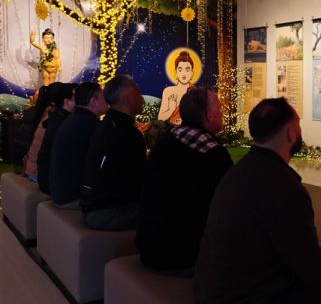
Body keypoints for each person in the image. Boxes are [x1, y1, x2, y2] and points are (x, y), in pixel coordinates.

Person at [195, 97, 321, 304]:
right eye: (298, 125)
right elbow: (315, 274)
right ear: (290, 133)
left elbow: (262, 237)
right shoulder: (285, 187)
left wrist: (310, 251)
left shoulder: (240, 171)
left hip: (214, 290)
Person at [136, 87, 232, 277]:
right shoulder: (213, 154)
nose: (223, 112)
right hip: (181, 257)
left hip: (148, 248)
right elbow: (229, 207)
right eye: (219, 108)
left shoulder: (166, 141)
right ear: (208, 115)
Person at [80, 75, 146, 231]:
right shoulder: (127, 133)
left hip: (91, 207)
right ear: (127, 99)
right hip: (106, 212)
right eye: (138, 93)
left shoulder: (105, 125)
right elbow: (139, 183)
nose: (142, 98)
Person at [48, 82, 109, 209]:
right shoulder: (90, 125)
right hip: (71, 197)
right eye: (104, 97)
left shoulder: (74, 119)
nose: (107, 101)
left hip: (60, 191)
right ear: (93, 101)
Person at [37, 82, 77, 194]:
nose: (82, 99)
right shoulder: (62, 122)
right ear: (67, 101)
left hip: (43, 176)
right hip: (47, 180)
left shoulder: (54, 116)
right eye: (77, 96)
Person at [158, 51, 196, 125]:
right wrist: (170, 110)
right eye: (180, 70)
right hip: (171, 129)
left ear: (192, 72)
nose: (184, 73)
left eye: (187, 70)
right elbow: (160, 119)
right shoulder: (168, 91)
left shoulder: (194, 92)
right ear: (176, 72)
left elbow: (198, 118)